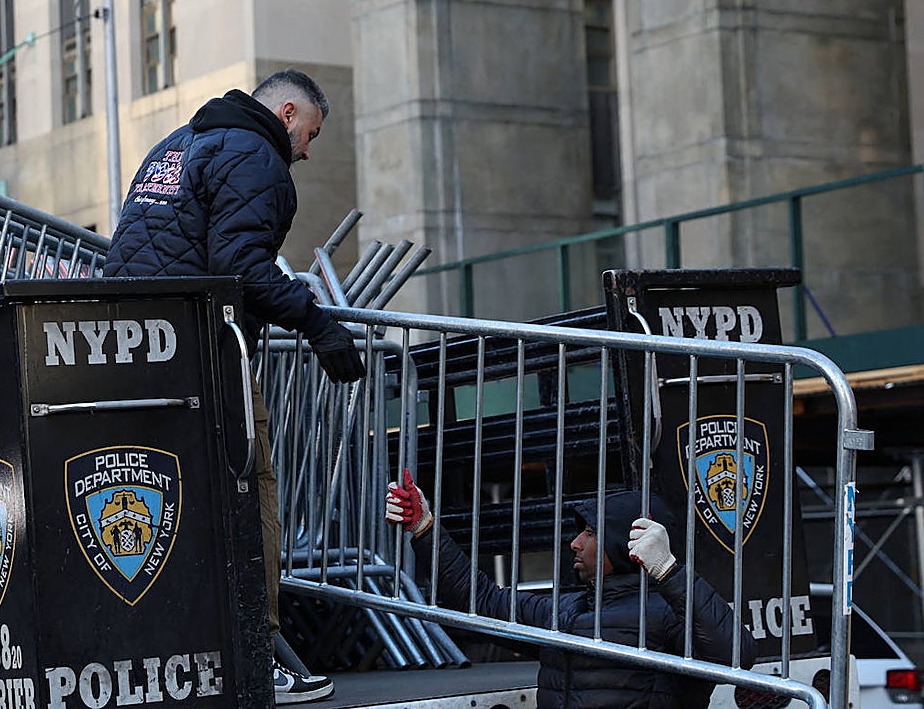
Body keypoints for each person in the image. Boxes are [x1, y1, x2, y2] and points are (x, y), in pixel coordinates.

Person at [105, 69, 364, 704]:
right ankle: (255, 653)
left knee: (171, 503)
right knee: (252, 488)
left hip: (132, 350)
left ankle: (180, 654)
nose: (307, 151)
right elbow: (240, 266)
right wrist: (318, 324)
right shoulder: (256, 156)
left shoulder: (175, 144)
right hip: (203, 349)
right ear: (286, 114)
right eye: (310, 134)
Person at [385, 471, 756, 708]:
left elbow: (737, 657)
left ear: (624, 543)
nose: (575, 543)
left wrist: (668, 570)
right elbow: (481, 601)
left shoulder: (668, 614)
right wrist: (424, 528)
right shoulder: (563, 611)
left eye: (590, 533)